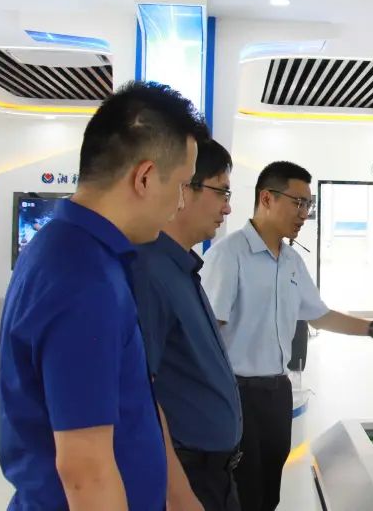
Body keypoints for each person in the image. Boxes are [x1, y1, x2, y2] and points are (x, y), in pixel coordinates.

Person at [0, 81, 200, 511]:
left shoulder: (77, 250)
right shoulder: (83, 279)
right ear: (145, 177)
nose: (181, 203)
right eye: (182, 185)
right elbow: (85, 471)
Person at [201, 161, 373, 511]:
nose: (304, 214)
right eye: (298, 203)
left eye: (309, 204)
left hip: (276, 392)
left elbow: (319, 314)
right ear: (267, 198)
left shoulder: (291, 260)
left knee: (268, 492)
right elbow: (207, 332)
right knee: (241, 492)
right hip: (236, 394)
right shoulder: (229, 256)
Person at [132, 134, 240, 511]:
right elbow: (141, 394)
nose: (228, 207)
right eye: (221, 192)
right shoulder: (149, 272)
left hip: (214, 474)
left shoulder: (182, 268)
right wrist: (177, 493)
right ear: (184, 189)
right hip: (186, 478)